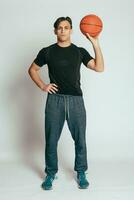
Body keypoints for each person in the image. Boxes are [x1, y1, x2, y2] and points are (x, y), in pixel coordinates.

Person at [28, 16, 104, 190]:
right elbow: (32, 69)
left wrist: (96, 43)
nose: (63, 30)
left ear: (71, 30)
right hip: (55, 100)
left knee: (80, 140)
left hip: (76, 100)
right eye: (60, 27)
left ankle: (81, 172)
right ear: (55, 31)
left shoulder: (79, 51)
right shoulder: (47, 51)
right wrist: (43, 86)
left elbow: (99, 68)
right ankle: (50, 173)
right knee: (51, 140)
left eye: (66, 27)